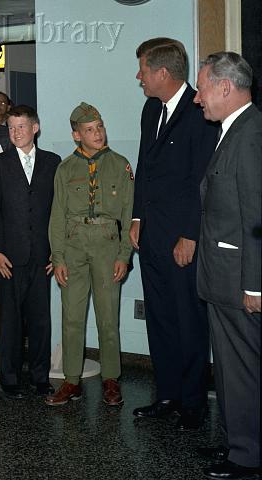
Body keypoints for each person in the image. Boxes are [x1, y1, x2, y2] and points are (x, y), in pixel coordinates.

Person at [130, 38, 218, 430]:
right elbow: (144, 167)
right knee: (161, 318)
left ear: (162, 73)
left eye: (143, 70)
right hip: (151, 235)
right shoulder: (151, 109)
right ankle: (167, 395)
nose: (139, 77)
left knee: (189, 321)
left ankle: (194, 403)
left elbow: (203, 180)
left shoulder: (200, 111)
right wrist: (135, 218)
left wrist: (190, 234)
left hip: (182, 238)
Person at [193, 52, 261, 480]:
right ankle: (241, 443)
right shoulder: (233, 130)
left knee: (242, 370)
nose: (198, 99)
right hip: (225, 275)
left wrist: (256, 286)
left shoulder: (251, 134)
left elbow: (257, 216)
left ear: (224, 87)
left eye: (201, 88)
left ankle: (248, 457)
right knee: (234, 370)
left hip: (240, 280)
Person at [47, 102, 134, 407]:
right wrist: (58, 258)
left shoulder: (120, 165)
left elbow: (128, 214)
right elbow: (57, 217)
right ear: (76, 135)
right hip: (74, 247)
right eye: (89, 130)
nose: (97, 133)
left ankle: (111, 379)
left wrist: (124, 255)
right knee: (71, 316)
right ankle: (72, 380)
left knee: (108, 316)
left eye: (99, 127)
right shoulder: (65, 169)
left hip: (107, 245)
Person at [0, 105, 61, 399]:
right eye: (11, 128)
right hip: (10, 256)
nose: (16, 133)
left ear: (35, 128)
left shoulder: (52, 162)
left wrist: (58, 251)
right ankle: (10, 377)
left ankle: (40, 376)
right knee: (10, 319)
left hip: (43, 255)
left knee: (41, 319)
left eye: (21, 127)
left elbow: (58, 210)